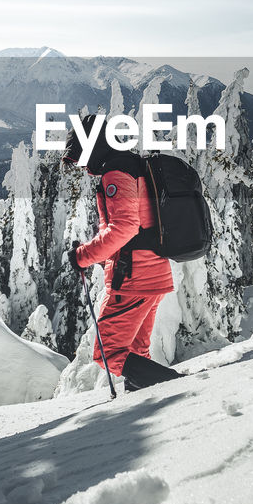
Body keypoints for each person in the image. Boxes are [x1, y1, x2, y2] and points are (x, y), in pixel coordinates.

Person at [62, 114, 173, 377]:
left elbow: (125, 227)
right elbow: (139, 227)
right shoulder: (133, 165)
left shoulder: (117, 172)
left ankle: (177, 387)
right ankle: (148, 398)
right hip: (153, 273)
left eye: (80, 155)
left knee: (108, 352)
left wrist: (82, 256)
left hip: (134, 278)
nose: (81, 165)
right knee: (135, 351)